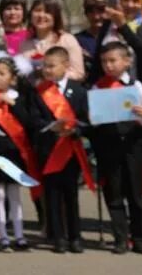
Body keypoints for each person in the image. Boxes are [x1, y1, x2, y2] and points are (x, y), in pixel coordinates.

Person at [91, 42, 142, 254]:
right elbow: (93, 121)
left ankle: (139, 238)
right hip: (108, 146)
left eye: (113, 60)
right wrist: (96, 117)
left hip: (133, 145)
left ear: (126, 62)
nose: (108, 66)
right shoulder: (98, 87)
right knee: (114, 192)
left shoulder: (135, 86)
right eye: (104, 61)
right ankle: (120, 238)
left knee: (136, 194)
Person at [29, 46, 93, 253]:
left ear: (66, 65)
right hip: (49, 150)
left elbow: (85, 118)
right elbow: (34, 119)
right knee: (52, 195)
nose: (46, 70)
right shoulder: (39, 91)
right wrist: (49, 128)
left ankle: (75, 236)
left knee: (71, 195)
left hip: (71, 149)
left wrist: (75, 130)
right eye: (44, 66)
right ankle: (58, 237)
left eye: (51, 66)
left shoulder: (80, 90)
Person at [0, 57, 36, 251]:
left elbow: (28, 122)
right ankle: (3, 235)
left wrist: (12, 103)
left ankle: (19, 235)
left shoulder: (19, 97)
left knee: (15, 194)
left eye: (1, 74)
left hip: (15, 151)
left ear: (12, 78)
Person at [15, 0, 86, 83]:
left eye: (47, 12)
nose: (41, 15)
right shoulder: (24, 44)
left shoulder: (66, 40)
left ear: (55, 16)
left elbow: (78, 73)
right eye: (37, 10)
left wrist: (51, 74)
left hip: (59, 94)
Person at [75, 0, 109, 80]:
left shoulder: (118, 37)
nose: (96, 16)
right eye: (91, 11)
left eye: (101, 10)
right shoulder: (76, 41)